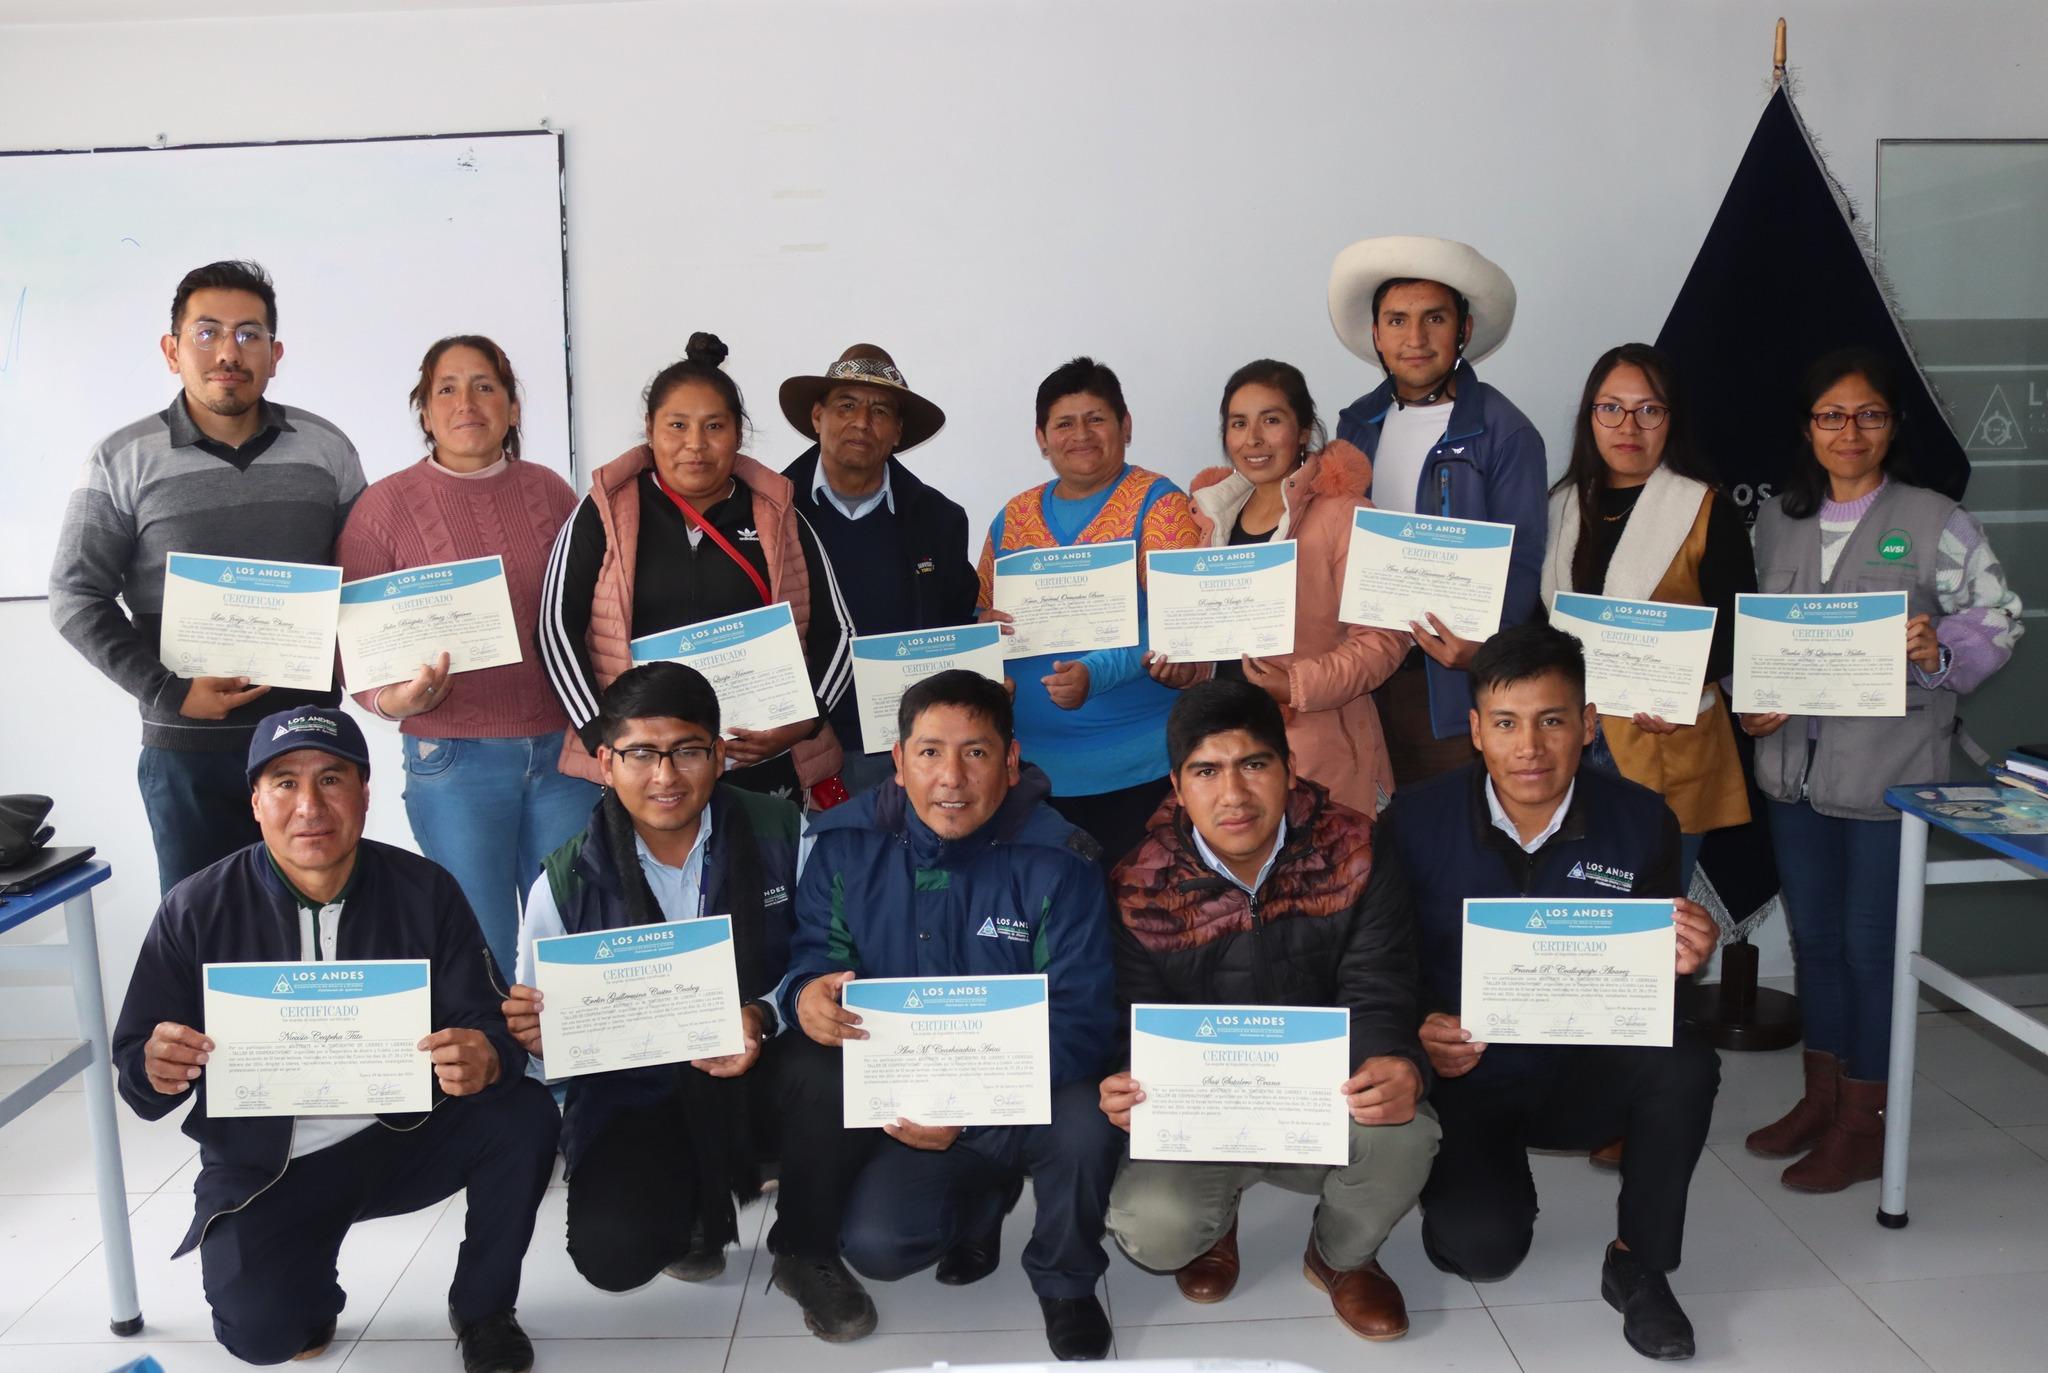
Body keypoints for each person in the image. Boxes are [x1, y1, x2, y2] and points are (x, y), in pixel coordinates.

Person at [109, 706, 558, 1372]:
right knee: (265, 1336)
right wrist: (156, 1066)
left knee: (523, 1113)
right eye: (285, 782)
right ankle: (305, 1285)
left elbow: (489, 1019)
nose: (309, 804)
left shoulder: (424, 890)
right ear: (255, 800)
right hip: (267, 1163)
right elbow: (137, 1076)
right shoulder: (196, 907)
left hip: (403, 1132)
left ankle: (484, 1307)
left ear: (365, 794)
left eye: (332, 779)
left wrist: (488, 1052)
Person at [1377, 624, 1721, 1361]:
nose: (1529, 747)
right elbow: (1379, 965)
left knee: (1686, 1060)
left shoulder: (1641, 821)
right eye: (1506, 723)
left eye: (1553, 720)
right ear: (1474, 730)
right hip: (1468, 1072)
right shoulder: (1412, 822)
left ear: (1587, 724)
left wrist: (1682, 955)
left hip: (1585, 1064)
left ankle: (1640, 1260)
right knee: (1478, 1251)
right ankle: (1496, 1183)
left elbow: (1655, 986)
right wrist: (1417, 1027)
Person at [771, 671, 1125, 1361]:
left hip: (1034, 1091)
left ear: (1011, 761)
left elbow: (1081, 1020)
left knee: (1086, 1126)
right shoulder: (843, 846)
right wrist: (805, 996)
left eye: (977, 752)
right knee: (878, 1245)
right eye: (930, 751)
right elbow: (814, 959)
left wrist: (972, 1108)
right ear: (898, 761)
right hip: (911, 1097)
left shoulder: (1061, 860)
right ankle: (980, 1198)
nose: (951, 777)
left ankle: (1066, 1282)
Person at [1741, 347, 2022, 1192]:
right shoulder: (1776, 520)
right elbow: (1759, 633)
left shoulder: (1937, 518)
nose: (1850, 431)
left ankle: (1863, 1124)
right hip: (1793, 772)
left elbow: (2002, 621)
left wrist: (1943, 648)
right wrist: (1748, 698)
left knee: (1870, 949)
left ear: (1892, 425)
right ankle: (1821, 1100)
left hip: (1890, 770)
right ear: (1807, 428)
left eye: (1869, 414)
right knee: (1816, 944)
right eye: (1832, 414)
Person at [1100, 680, 1439, 1340]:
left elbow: (1379, 987)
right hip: (1204, 1111)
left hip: (1317, 1097)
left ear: (1289, 768)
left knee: (1404, 1131)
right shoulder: (1137, 882)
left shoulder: (1355, 848)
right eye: (1206, 770)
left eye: (1254, 764)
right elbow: (1130, 1017)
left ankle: (1341, 1257)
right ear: (1177, 783)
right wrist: (1123, 1079)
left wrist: (1394, 1065)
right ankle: (1213, 1218)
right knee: (1152, 1229)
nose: (1233, 794)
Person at [49, 260, 366, 893]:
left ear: (275, 354)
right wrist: (169, 691)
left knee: (323, 932)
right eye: (207, 332)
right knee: (203, 939)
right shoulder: (122, 457)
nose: (229, 352)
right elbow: (74, 597)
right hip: (188, 756)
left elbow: (364, 582)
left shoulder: (326, 449)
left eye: (250, 335)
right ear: (172, 350)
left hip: (308, 749)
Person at [501, 663, 799, 1291]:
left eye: (687, 751)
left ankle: (807, 1238)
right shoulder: (564, 881)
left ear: (719, 756)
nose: (665, 777)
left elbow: (825, 954)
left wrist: (764, 1012)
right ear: (606, 763)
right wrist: (539, 1038)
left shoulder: (784, 834)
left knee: (828, 1082)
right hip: (636, 1086)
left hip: (767, 1065)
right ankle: (689, 1204)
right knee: (614, 1252)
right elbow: (547, 1035)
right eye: (641, 754)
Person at [336, 334, 596, 979]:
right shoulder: (383, 508)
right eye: (445, 388)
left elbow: (588, 612)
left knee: (566, 937)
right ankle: (491, 1079)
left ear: (511, 408)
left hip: (563, 751)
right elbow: (353, 650)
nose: (466, 402)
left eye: (485, 386)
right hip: (454, 760)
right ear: (424, 411)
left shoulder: (552, 493)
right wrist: (395, 701)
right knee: (476, 944)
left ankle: (564, 1082)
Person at [538, 332, 853, 805]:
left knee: (762, 878)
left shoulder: (779, 515)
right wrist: (605, 737)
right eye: (677, 425)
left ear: (738, 434)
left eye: (714, 427)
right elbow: (555, 628)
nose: (696, 445)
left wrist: (804, 722)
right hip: (645, 772)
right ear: (649, 429)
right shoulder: (605, 511)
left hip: (757, 763)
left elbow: (840, 634)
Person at [1324, 236, 1547, 786]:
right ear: (1376, 334)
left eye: (1434, 318)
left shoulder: (1506, 431)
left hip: (1454, 687)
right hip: (1365, 682)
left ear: (1464, 329)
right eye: (1397, 321)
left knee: (1462, 842)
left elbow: (1521, 564)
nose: (1415, 338)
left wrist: (1485, 649)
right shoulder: (1356, 426)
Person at [1541, 344, 1756, 887]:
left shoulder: (1704, 507)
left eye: (1649, 410)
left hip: (1666, 738)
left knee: (1655, 923)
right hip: (1573, 741)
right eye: (1611, 408)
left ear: (1671, 419)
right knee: (1577, 911)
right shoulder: (1562, 504)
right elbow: (1541, 625)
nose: (1628, 426)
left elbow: (1735, 630)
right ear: (1590, 416)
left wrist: (1675, 689)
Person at [977, 357, 1204, 865]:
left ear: (1125, 426)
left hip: (1139, 772)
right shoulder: (1011, 517)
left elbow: (1181, 621)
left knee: (1141, 925)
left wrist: (1095, 674)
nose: (1081, 434)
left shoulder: (1160, 504)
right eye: (1064, 423)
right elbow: (981, 612)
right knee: (1053, 929)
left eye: (1096, 418)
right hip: (1031, 774)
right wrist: (981, 628)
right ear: (1041, 437)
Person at [1184, 360, 1409, 815]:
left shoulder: (1345, 514)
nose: (1254, 439)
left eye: (1271, 420)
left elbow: (1386, 639)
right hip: (1229, 759)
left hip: (1322, 760)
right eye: (1238, 424)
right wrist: (1184, 669)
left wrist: (1297, 684)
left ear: (1304, 429)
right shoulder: (1210, 518)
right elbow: (1213, 643)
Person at [780, 344, 980, 793]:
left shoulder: (940, 520)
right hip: (792, 750)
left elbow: (959, 619)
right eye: (846, 405)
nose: (861, 422)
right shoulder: (766, 513)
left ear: (897, 431)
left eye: (880, 410)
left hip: (903, 751)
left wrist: (982, 641)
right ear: (817, 418)